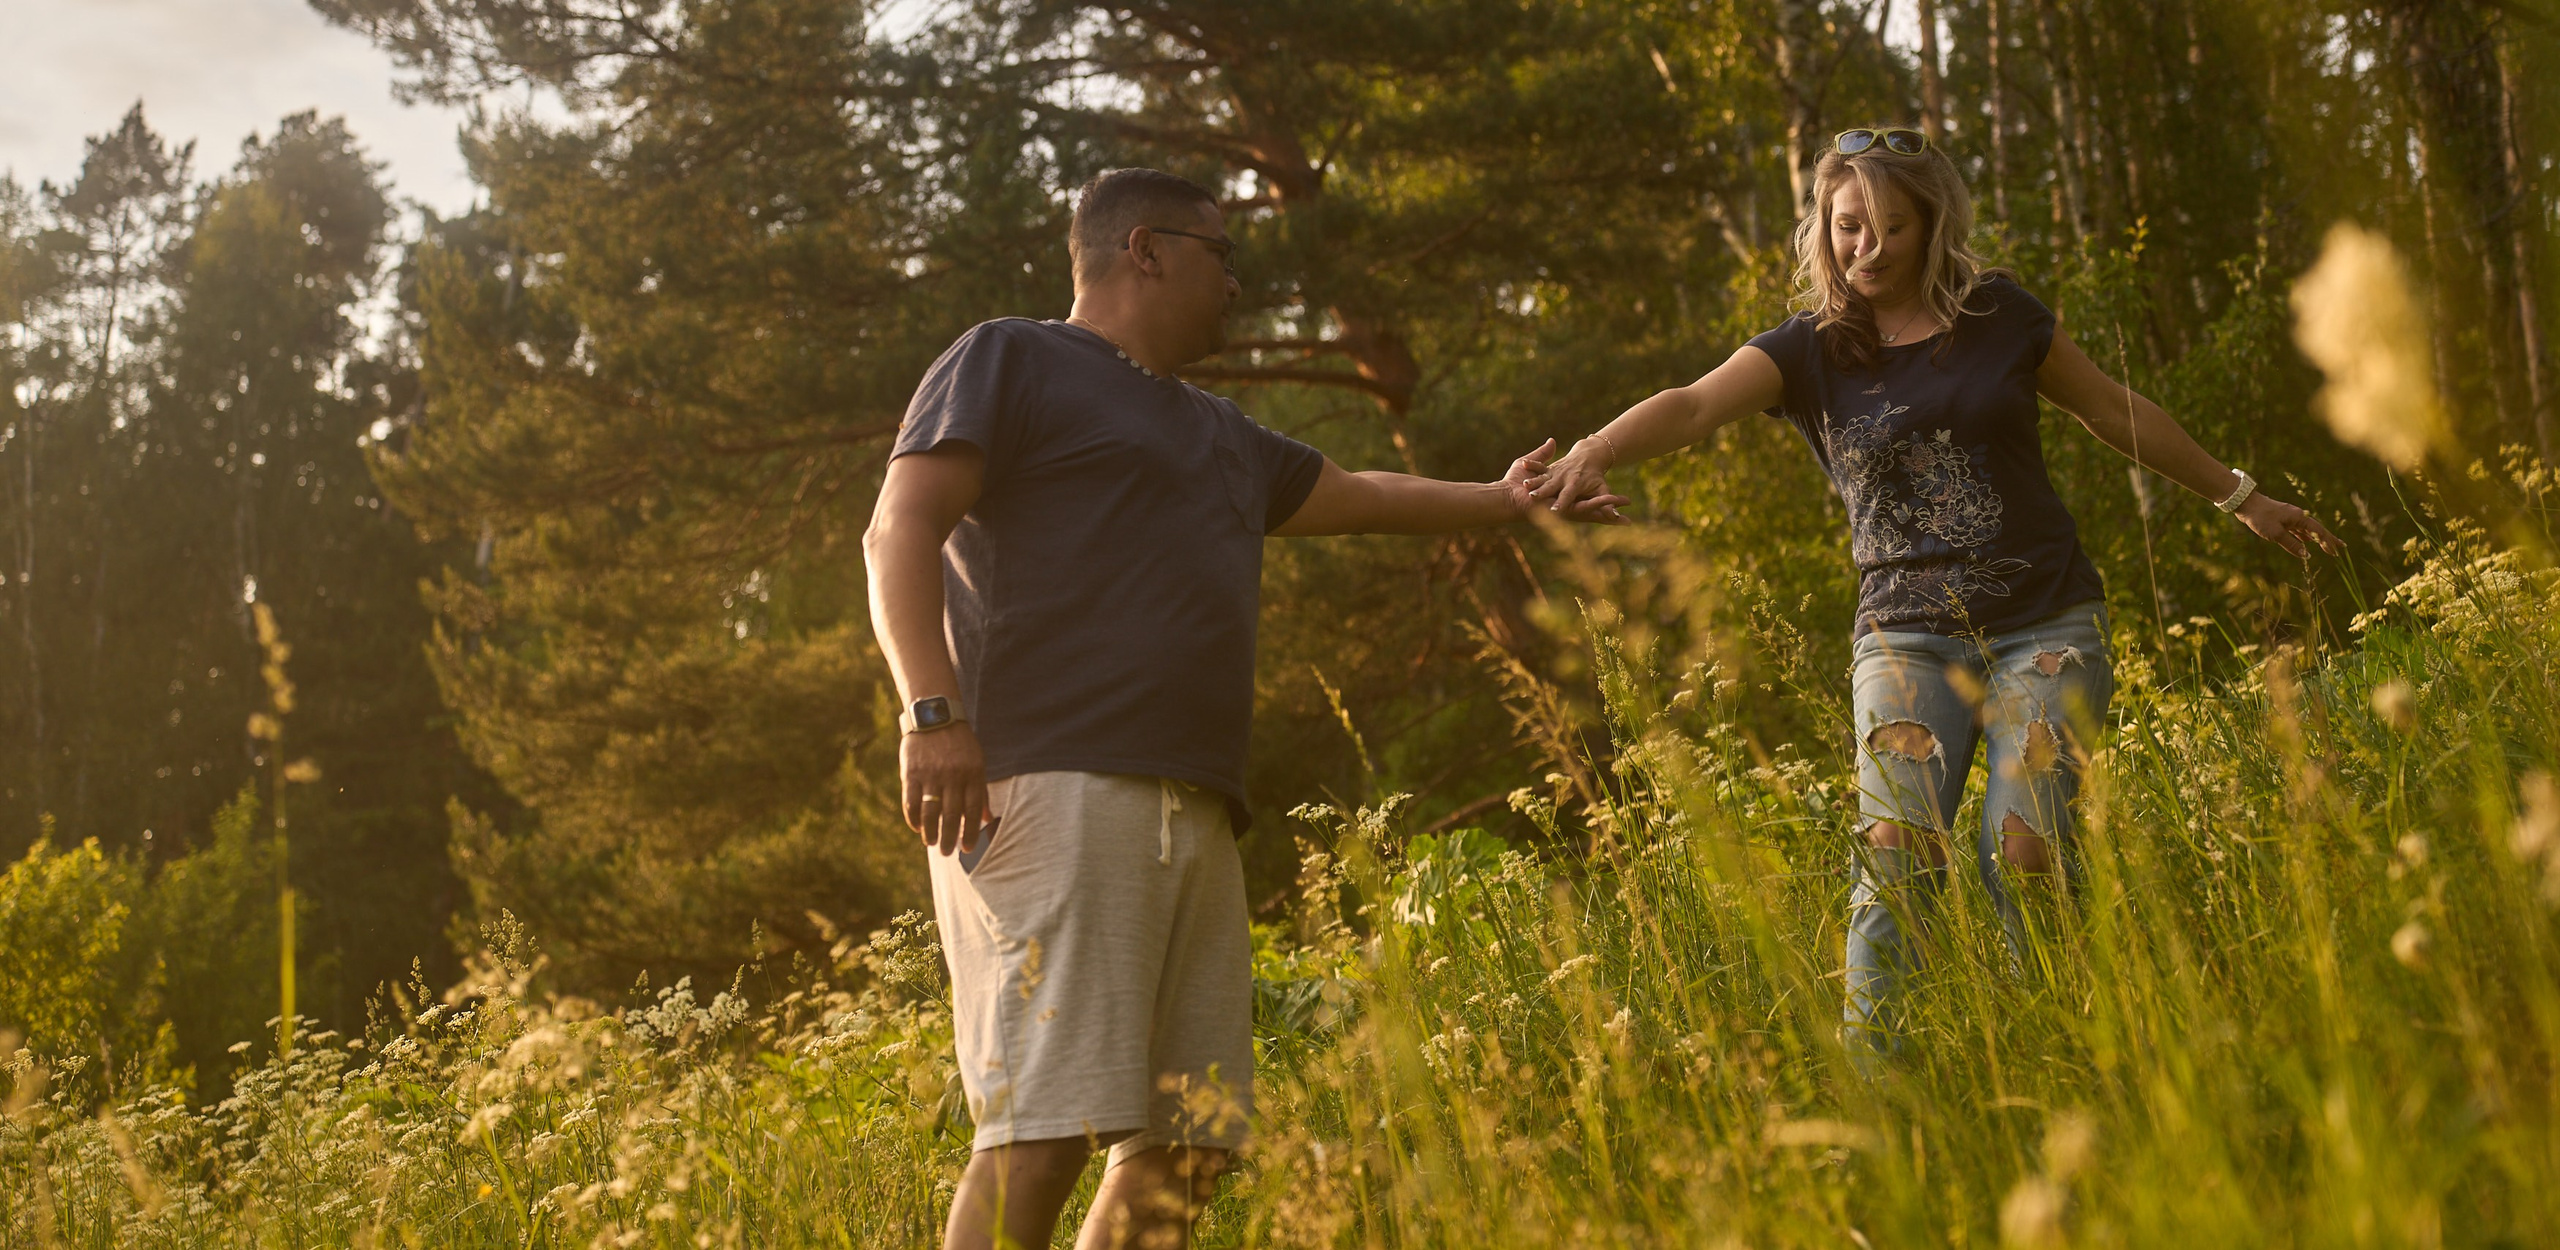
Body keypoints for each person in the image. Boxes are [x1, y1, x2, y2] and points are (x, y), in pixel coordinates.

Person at [865, 167, 1601, 1250]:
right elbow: (899, 528)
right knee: (1041, 1123)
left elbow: (1362, 494)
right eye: (1223, 254)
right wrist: (930, 715)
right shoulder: (1009, 356)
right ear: (1146, 248)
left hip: (1193, 805)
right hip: (1047, 781)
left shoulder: (1217, 430)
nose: (1239, 285)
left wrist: (1503, 499)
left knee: (1191, 1136)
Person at [1529, 128, 2340, 1046]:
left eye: (1888, 230)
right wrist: (1595, 447)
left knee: (2025, 848)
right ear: (1822, 231)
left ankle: (2065, 1041)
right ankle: (1877, 1086)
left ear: (1931, 228)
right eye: (1846, 230)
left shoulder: (1999, 316)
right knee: (1896, 852)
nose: (1865, 251)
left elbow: (2112, 408)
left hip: (2045, 621)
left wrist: (2241, 497)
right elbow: (1690, 403)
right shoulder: (1810, 351)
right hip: (1903, 637)